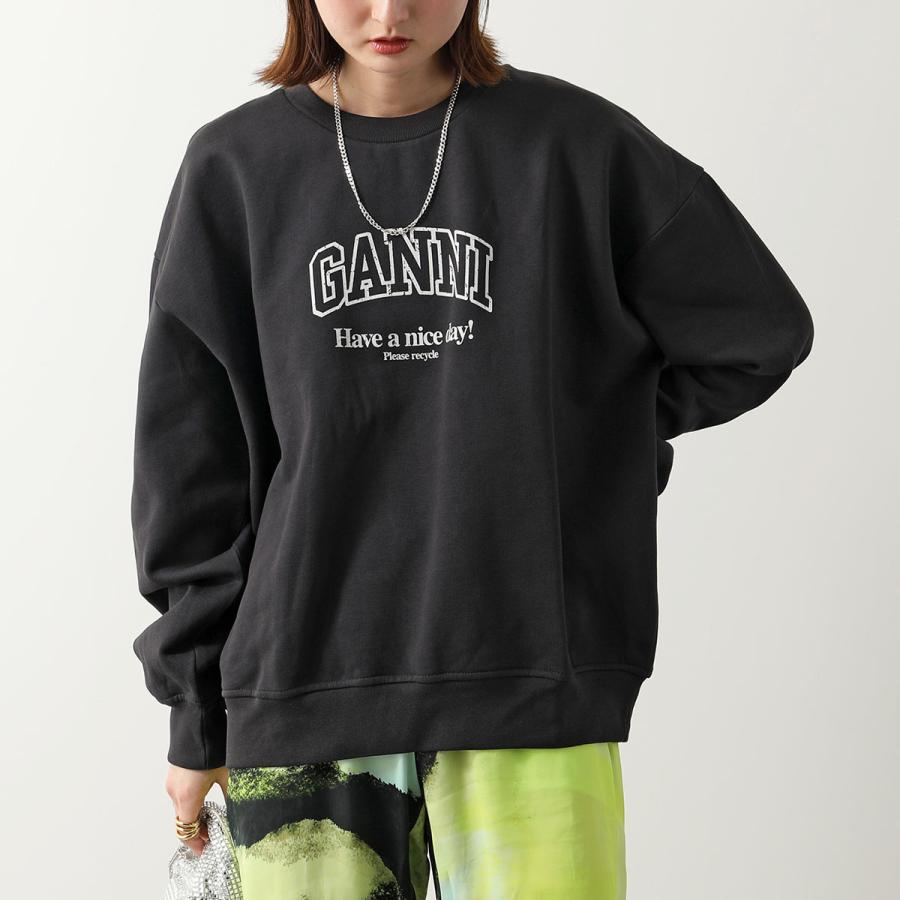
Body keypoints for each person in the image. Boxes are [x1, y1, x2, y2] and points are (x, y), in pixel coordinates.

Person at [130, 1, 815, 897]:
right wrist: (195, 717)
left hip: (529, 684)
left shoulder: (573, 146)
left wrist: (581, 434)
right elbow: (191, 463)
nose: (390, 11)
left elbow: (760, 331)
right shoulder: (234, 168)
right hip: (302, 681)